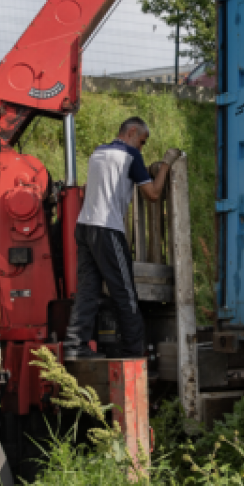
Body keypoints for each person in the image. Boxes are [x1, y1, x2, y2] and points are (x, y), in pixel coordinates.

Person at [65, 117, 181, 360]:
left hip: (84, 226)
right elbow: (153, 194)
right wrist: (166, 166)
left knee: (87, 290)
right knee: (125, 293)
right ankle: (134, 352)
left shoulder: (98, 152)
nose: (142, 147)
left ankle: (75, 346)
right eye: (142, 141)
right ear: (131, 132)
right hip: (107, 230)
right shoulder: (130, 155)